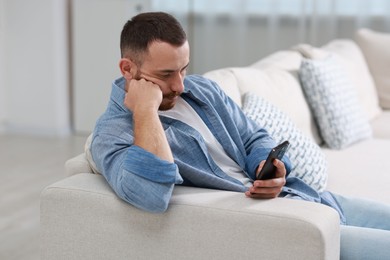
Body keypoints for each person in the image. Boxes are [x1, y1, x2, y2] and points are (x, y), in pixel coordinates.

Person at [90, 11, 390, 260]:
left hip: (308, 197)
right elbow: (151, 195)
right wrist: (145, 111)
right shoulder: (112, 133)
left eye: (184, 69)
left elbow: (253, 137)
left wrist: (264, 167)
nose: (180, 85)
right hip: (292, 225)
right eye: (166, 75)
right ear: (128, 69)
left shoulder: (202, 90)